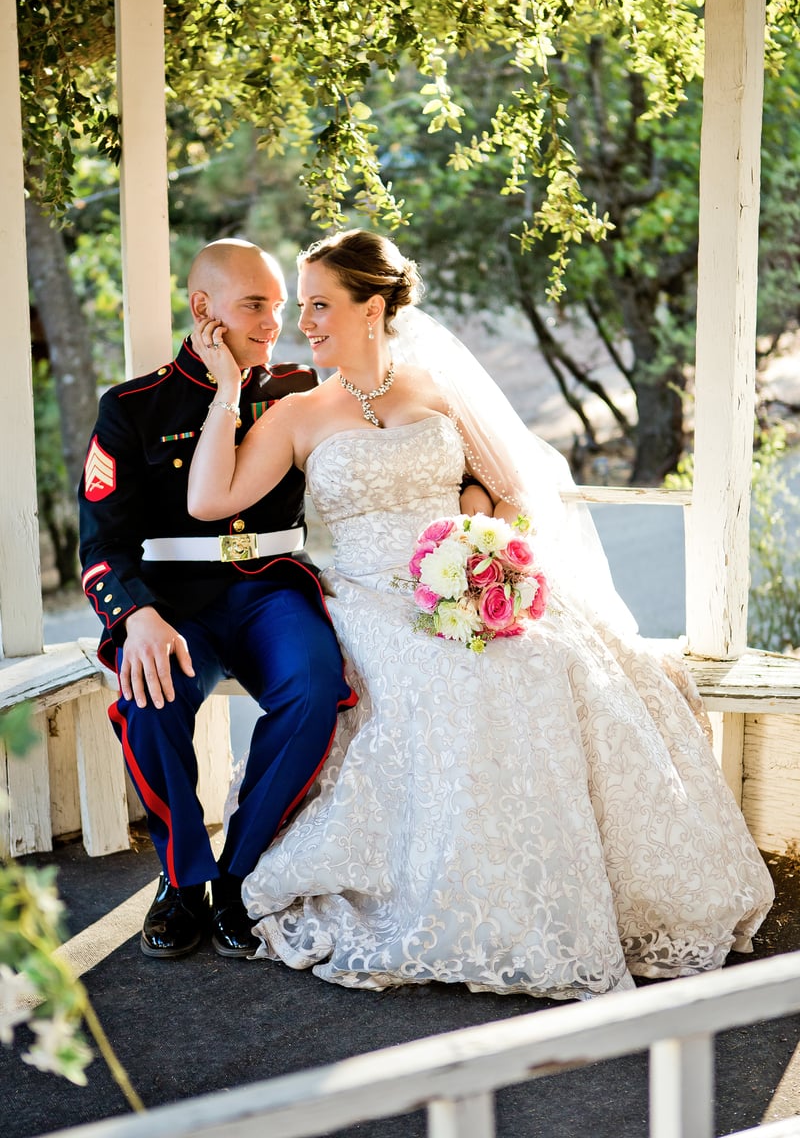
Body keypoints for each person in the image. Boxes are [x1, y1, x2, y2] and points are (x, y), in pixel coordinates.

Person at [186, 228, 774, 999]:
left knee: (556, 661)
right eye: (304, 307)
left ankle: (575, 889)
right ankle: (470, 896)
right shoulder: (297, 414)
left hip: (464, 579)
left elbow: (500, 488)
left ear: (372, 307)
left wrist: (478, 539)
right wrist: (227, 389)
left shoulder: (432, 389)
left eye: (321, 305)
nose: (305, 323)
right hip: (371, 598)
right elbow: (210, 500)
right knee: (458, 682)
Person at [78, 238, 356, 961]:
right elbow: (101, 542)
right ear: (204, 307)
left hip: (271, 588)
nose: (273, 323)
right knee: (149, 696)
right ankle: (182, 880)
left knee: (314, 690)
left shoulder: (301, 388)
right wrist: (135, 617)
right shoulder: (132, 406)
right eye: (255, 304)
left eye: (280, 306)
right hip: (172, 603)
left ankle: (237, 873)